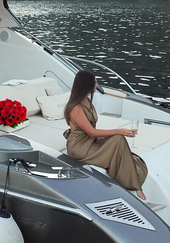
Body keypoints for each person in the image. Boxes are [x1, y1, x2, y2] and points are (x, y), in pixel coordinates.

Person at [63, 70, 148, 200]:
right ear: (86, 85)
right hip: (80, 147)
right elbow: (91, 131)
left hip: (90, 140)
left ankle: (132, 181)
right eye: (94, 82)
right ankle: (135, 186)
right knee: (118, 139)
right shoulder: (76, 108)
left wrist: (117, 133)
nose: (96, 85)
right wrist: (118, 130)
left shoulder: (86, 100)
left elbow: (92, 133)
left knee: (118, 141)